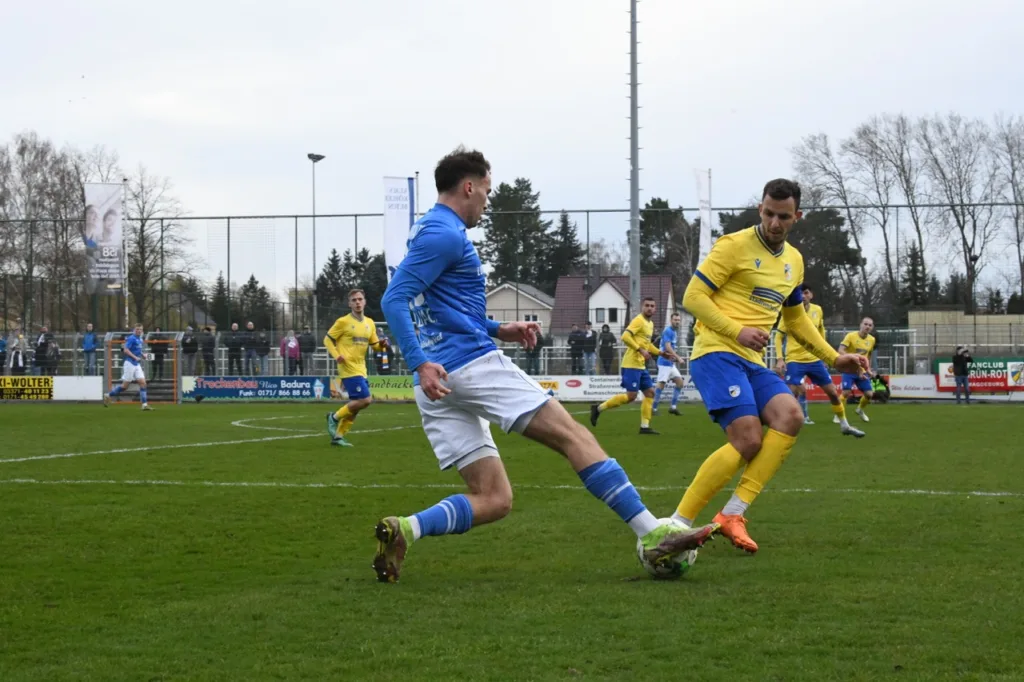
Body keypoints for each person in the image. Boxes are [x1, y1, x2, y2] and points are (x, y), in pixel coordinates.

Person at [376, 147, 717, 583]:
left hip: (441, 385)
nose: (487, 199)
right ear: (468, 185)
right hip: (465, 367)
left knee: (495, 498)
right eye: (486, 190)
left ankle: (406, 529)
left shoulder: (428, 228)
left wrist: (499, 330)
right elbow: (393, 299)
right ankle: (652, 534)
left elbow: (440, 304)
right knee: (575, 436)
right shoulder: (445, 234)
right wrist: (420, 362)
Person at [669, 179, 868, 554]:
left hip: (750, 359)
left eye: (784, 216)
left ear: (797, 217)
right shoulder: (732, 246)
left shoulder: (793, 260)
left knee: (790, 416)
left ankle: (732, 514)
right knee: (748, 440)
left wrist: (835, 358)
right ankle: (676, 523)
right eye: (769, 214)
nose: (775, 223)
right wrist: (736, 330)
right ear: (760, 209)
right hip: (715, 351)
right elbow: (692, 297)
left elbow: (796, 320)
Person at [773, 284, 864, 437]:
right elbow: (778, 335)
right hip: (795, 359)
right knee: (789, 395)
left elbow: (821, 332)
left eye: (806, 292)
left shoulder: (818, 310)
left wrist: (824, 355)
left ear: (811, 295)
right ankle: (779, 428)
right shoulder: (789, 311)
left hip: (815, 359)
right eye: (800, 293)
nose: (802, 296)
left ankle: (844, 425)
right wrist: (780, 359)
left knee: (833, 393)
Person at [589, 297, 674, 435]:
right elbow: (625, 336)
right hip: (631, 364)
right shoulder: (638, 320)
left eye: (652, 306)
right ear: (642, 307)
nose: (650, 308)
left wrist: (660, 353)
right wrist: (640, 350)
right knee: (631, 396)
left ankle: (645, 427)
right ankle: (598, 408)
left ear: (655, 308)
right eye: (647, 305)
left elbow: (647, 344)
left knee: (650, 393)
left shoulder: (650, 324)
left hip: (640, 365)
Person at [324, 289, 389, 447]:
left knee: (357, 405)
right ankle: (333, 417)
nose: (358, 302)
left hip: (361, 369)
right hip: (348, 368)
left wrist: (382, 345)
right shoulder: (343, 322)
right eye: (354, 300)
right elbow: (327, 340)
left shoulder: (369, 323)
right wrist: (336, 355)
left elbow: (375, 346)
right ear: (350, 304)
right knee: (365, 399)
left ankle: (339, 436)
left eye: (360, 299)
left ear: (365, 302)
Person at [104, 324, 152, 410]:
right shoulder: (131, 338)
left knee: (143, 383)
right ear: (134, 330)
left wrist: (143, 355)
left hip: (136, 364)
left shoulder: (140, 339)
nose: (139, 331)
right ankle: (108, 395)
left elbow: (138, 350)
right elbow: (126, 350)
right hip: (129, 363)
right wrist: (135, 357)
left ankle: (144, 405)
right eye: (137, 329)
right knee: (124, 386)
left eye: (140, 329)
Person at [837, 317, 876, 422]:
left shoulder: (872, 340)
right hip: (849, 369)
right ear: (861, 325)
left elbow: (869, 355)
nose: (867, 326)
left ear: (872, 328)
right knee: (846, 392)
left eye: (870, 325)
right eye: (865, 324)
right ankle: (838, 414)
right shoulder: (850, 336)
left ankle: (860, 410)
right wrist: (851, 357)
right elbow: (840, 350)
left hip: (862, 371)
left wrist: (868, 369)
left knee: (869, 394)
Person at [652, 312, 685, 417]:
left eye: (678, 320)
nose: (677, 322)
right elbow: (667, 347)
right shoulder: (668, 331)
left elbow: (671, 348)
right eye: (675, 320)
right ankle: (653, 408)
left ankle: (673, 407)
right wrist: (678, 357)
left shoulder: (674, 332)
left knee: (680, 382)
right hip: (663, 362)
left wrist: (675, 358)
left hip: (670, 363)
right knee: (661, 384)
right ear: (671, 320)